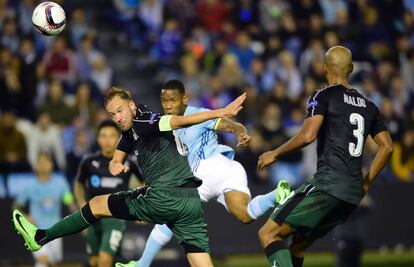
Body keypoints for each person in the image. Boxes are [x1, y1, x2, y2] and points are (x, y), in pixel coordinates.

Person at [13, 86, 247, 267]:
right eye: (111, 114)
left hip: (164, 197)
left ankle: (41, 237)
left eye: (120, 110)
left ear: (132, 106)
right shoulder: (136, 122)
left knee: (96, 204)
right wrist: (116, 161)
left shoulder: (144, 121)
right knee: (201, 262)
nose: (117, 117)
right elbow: (126, 139)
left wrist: (221, 112)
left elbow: (178, 121)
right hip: (190, 202)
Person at [116, 79, 291, 267]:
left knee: (172, 212)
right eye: (164, 101)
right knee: (245, 215)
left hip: (206, 168)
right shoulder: (163, 122)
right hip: (228, 170)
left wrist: (240, 131)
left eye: (173, 100)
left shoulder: (197, 114)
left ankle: (142, 264)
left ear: (184, 98)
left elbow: (228, 124)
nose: (168, 105)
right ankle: (277, 194)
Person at [256, 46, 393, 267]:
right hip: (350, 196)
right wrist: (366, 183)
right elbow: (387, 147)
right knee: (298, 245)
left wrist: (276, 152)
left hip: (327, 185)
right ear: (350, 69)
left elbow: (308, 135)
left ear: (324, 68)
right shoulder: (369, 106)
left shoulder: (324, 95)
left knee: (268, 233)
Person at [73, 120, 142, 267]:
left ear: (119, 138)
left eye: (112, 136)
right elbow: (78, 184)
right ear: (97, 139)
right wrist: (81, 204)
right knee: (95, 262)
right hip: (92, 217)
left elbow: (144, 183)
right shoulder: (88, 162)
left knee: (105, 260)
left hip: (115, 218)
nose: (107, 140)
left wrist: (141, 208)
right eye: (103, 136)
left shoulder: (129, 162)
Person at [13, 152, 76, 267]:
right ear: (35, 166)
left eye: (46, 162)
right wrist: (26, 217)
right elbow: (16, 206)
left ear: (51, 165)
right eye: (40, 162)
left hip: (56, 230)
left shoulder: (60, 182)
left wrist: (80, 217)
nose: (43, 165)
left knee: (53, 263)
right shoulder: (29, 185)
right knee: (43, 259)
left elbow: (70, 202)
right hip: (35, 231)